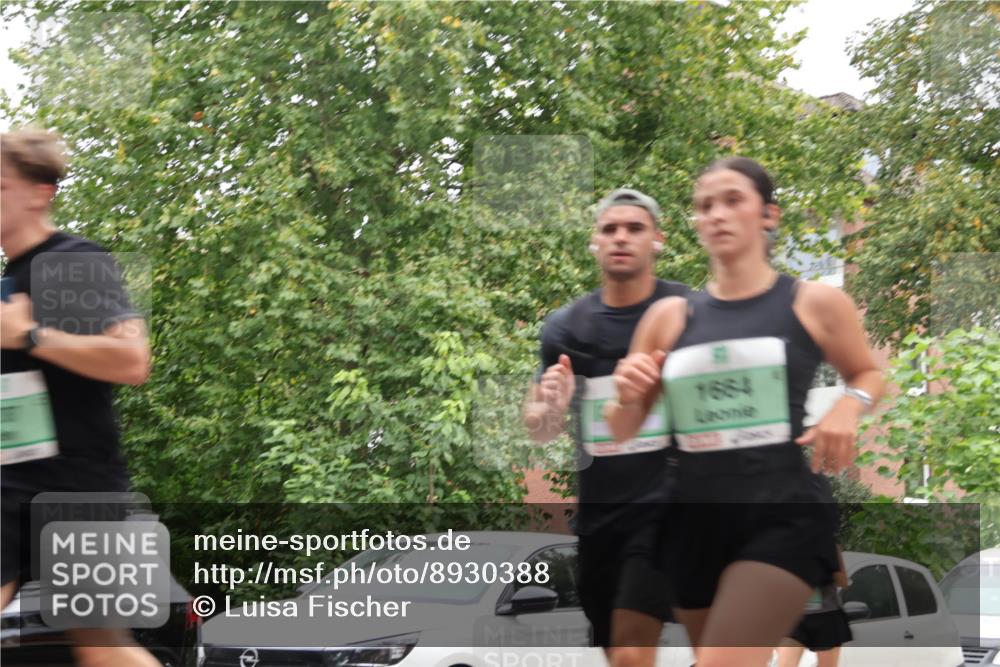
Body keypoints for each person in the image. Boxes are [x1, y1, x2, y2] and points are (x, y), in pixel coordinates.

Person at [606, 157, 884, 667]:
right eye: (704, 206)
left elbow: (870, 374)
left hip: (781, 516)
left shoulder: (814, 303)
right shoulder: (669, 317)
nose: (716, 214)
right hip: (694, 522)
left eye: (732, 200)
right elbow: (623, 430)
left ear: (768, 216)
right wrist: (627, 395)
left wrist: (851, 404)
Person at [1, 128, 159, 667]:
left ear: (39, 192)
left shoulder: (68, 261)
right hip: (13, 482)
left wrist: (30, 336)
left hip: (75, 485)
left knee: (102, 647)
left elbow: (132, 361)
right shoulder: (11, 279)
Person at [523, 188, 688, 667]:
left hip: (673, 508)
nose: (621, 238)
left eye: (634, 229)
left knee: (633, 650)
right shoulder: (566, 328)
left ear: (658, 240)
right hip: (600, 517)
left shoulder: (689, 312)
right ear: (594, 242)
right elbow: (538, 429)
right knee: (615, 649)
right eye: (610, 229)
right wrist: (552, 404)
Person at [776, 548, 853, 667]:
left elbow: (843, 581)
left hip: (826, 616)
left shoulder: (828, 543)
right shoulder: (783, 541)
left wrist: (821, 569)